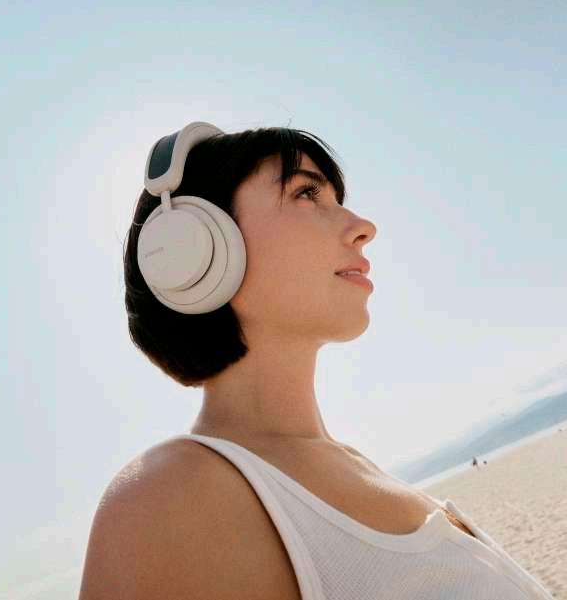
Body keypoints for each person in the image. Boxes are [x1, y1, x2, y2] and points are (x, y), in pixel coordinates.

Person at [78, 125, 554, 599]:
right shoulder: (169, 500)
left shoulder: (352, 465)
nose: (364, 227)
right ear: (191, 248)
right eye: (307, 192)